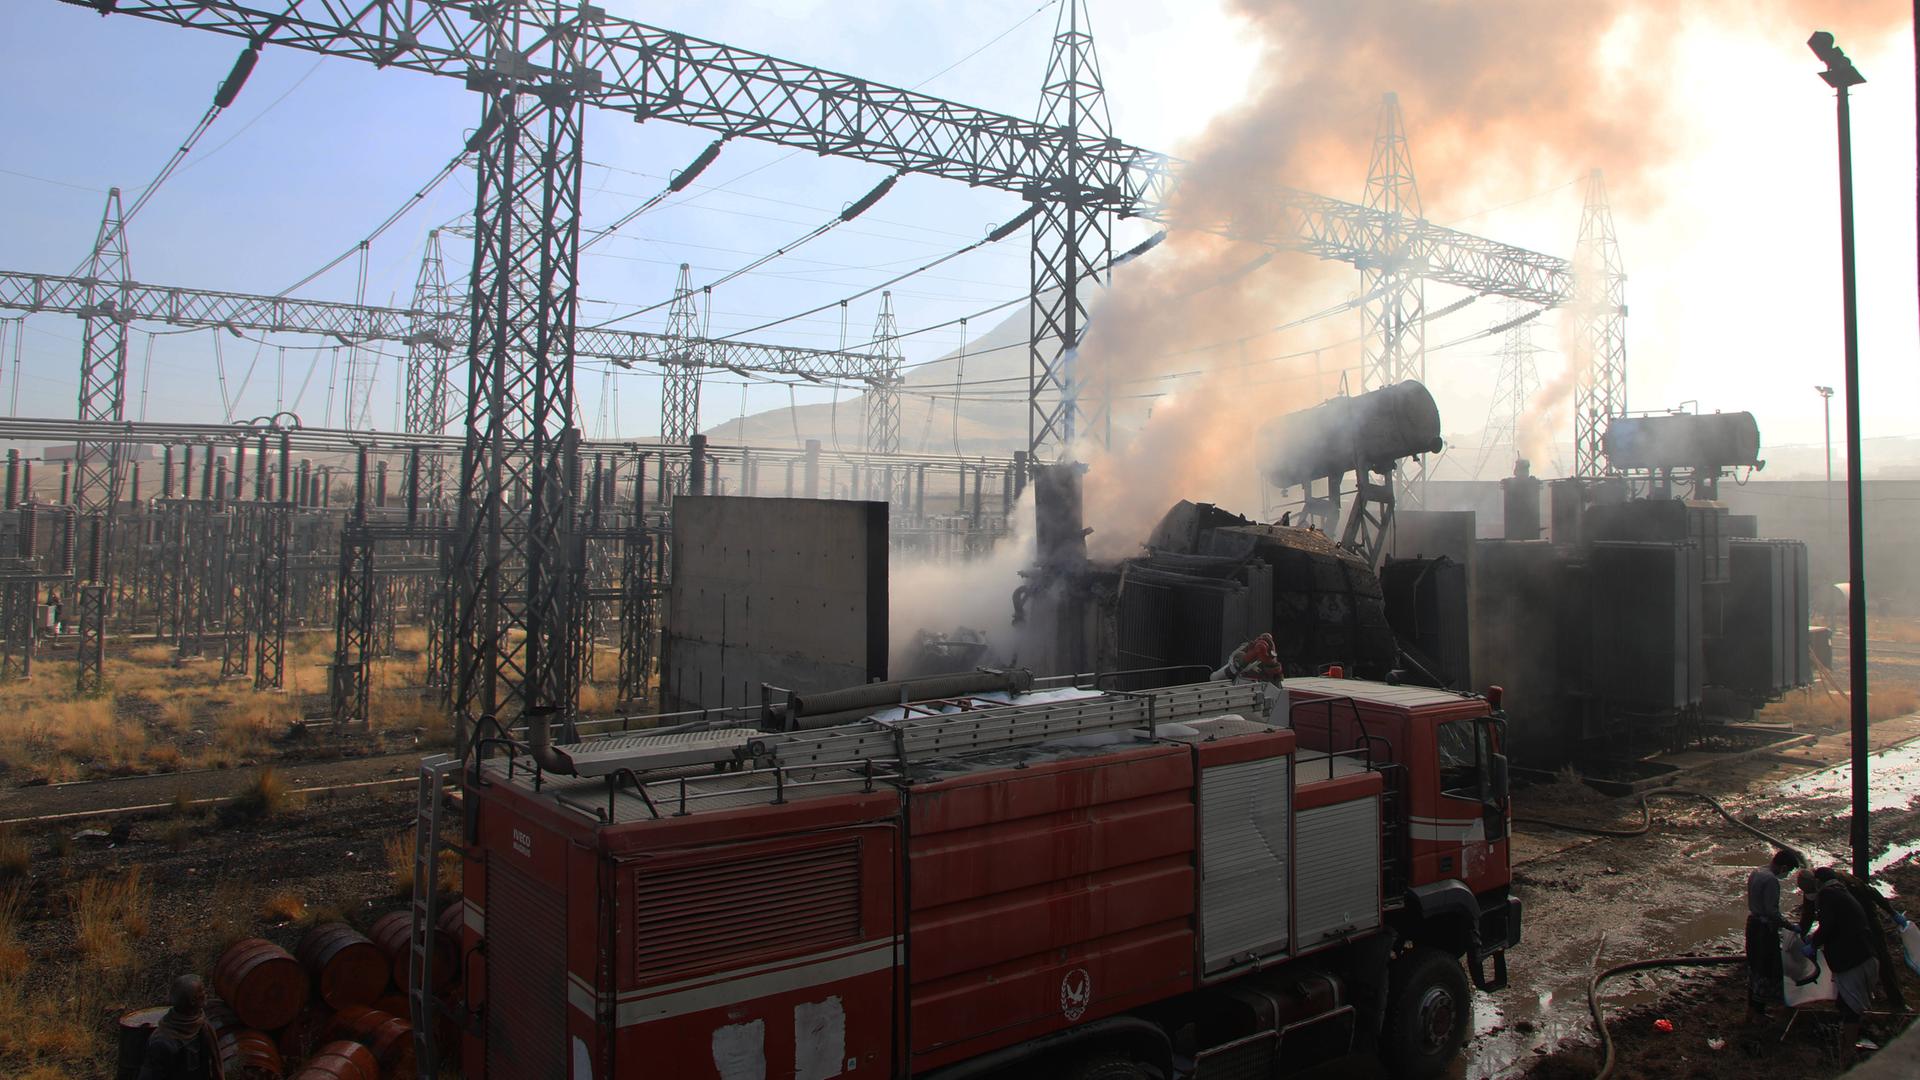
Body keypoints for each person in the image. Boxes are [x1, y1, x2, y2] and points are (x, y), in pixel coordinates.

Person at [1804, 870, 1879, 1062]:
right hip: (1865, 954)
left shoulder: (1828, 895)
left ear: (1819, 882)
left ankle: (1848, 1050)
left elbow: (1828, 925)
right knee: (1845, 1001)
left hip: (1852, 960)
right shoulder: (1842, 892)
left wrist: (1813, 943)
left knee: (1850, 1006)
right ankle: (1848, 1040)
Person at [1815, 866, 1908, 1013]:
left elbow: (1873, 894)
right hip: (1850, 927)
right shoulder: (1824, 889)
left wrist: (1892, 912)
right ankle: (1849, 998)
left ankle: (1896, 1002)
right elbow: (1812, 912)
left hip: (1867, 924)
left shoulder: (1845, 885)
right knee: (1854, 964)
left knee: (1880, 959)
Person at [1746, 849, 1799, 1023]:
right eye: (1788, 870)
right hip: (1763, 929)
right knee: (1765, 968)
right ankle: (1758, 1013)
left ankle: (1751, 1010)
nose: (1787, 874)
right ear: (1783, 867)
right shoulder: (1771, 880)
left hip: (1752, 924)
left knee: (1754, 967)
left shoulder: (1757, 872)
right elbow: (1772, 911)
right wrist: (1790, 926)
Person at [136, 974, 222, 1080]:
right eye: (202, 990)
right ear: (192, 1001)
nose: (206, 993)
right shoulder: (162, 1043)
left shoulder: (200, 1024)